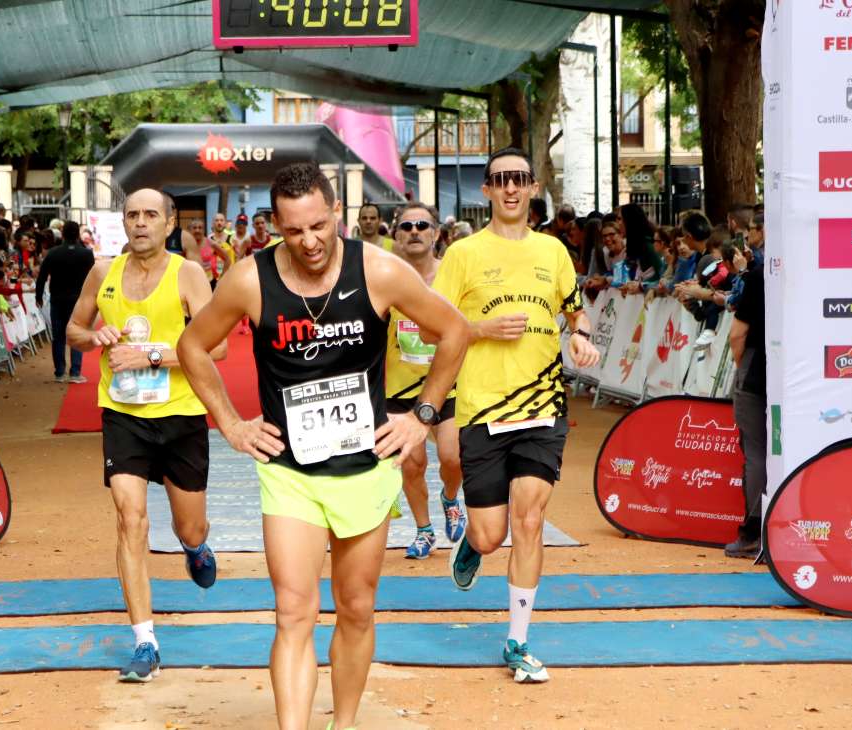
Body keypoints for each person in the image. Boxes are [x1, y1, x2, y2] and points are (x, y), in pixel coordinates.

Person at [176, 163, 468, 729]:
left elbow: (453, 331)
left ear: (336, 212)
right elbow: (192, 346)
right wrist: (232, 424)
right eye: (293, 231)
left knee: (356, 607)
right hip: (290, 472)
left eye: (318, 226)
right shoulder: (249, 279)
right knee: (294, 611)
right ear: (273, 229)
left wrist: (422, 416)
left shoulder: (379, 269)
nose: (309, 242)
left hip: (367, 467)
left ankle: (346, 722)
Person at [434, 148, 600, 684]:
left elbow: (577, 308)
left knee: (530, 522)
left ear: (532, 189)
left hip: (543, 407)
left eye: (519, 180)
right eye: (500, 180)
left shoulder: (553, 251)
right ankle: (471, 543)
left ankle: (518, 639)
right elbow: (435, 322)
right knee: (490, 535)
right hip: (482, 409)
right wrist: (479, 330)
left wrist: (581, 334)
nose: (510, 188)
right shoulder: (462, 253)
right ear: (486, 190)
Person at [67, 188, 227, 683]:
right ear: (124, 221)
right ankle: (145, 641)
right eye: (132, 215)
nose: (140, 223)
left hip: (180, 415)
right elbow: (73, 328)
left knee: (189, 528)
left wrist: (152, 355)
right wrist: (95, 337)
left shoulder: (188, 274)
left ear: (169, 222)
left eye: (150, 215)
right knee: (130, 519)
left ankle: (196, 549)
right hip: (123, 413)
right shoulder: (102, 272)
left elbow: (215, 350)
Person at [385, 202, 467, 559]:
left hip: (446, 381)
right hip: (399, 387)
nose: (414, 231)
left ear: (436, 233)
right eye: (406, 227)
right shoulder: (383, 277)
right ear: (397, 236)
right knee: (412, 464)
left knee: (454, 456)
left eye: (422, 225)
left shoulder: (454, 277)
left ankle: (450, 497)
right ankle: (423, 529)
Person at [726, 261, 766, 558]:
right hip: (804, 373)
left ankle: (753, 531)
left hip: (755, 370)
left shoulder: (758, 276)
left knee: (755, 451)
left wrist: (742, 370)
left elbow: (737, 335)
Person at [36, 220, 95, 383]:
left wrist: (38, 296)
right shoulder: (86, 254)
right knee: (77, 335)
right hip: (79, 300)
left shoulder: (53, 253)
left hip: (57, 299)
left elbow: (41, 276)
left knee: (59, 336)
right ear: (77, 234)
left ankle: (59, 373)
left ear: (62, 234)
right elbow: (94, 277)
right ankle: (75, 373)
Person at [181, 218, 230, 287]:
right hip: (191, 283)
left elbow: (227, 259)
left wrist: (221, 279)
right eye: (194, 228)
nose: (197, 230)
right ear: (190, 230)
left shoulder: (211, 243)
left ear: (204, 230)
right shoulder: (185, 245)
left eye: (200, 228)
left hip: (209, 283)